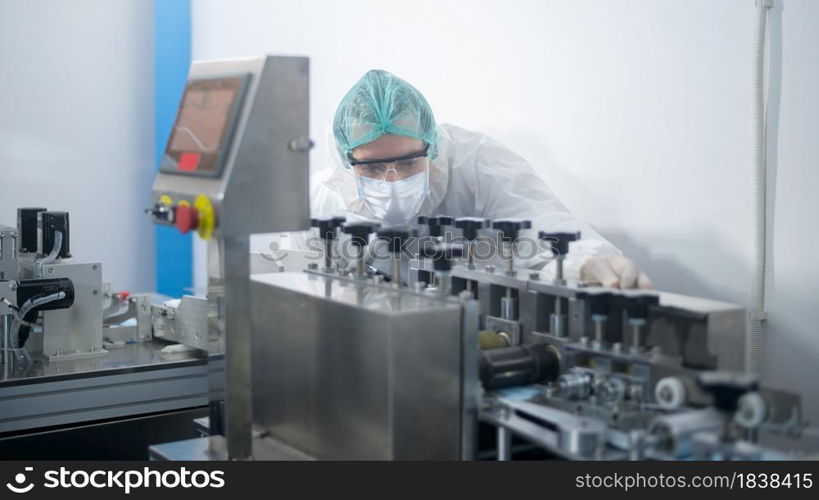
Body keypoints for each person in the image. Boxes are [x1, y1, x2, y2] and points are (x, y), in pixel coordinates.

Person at [310, 69, 651, 289]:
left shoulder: (476, 164)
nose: (393, 181)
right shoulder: (325, 196)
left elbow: (541, 223)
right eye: (372, 169)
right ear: (345, 161)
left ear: (431, 149)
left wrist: (586, 260)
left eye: (409, 162)